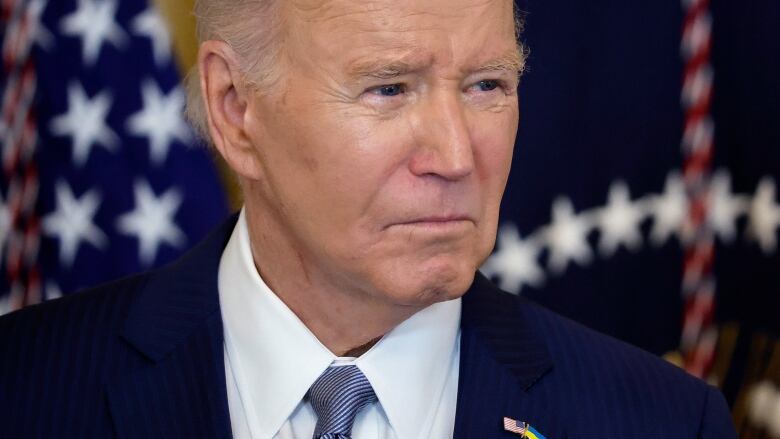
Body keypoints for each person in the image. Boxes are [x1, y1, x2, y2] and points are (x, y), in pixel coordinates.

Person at [0, 0, 737, 437]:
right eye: (388, 89)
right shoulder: (25, 394)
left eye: (487, 84)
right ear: (235, 108)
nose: (456, 154)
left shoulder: (664, 423)